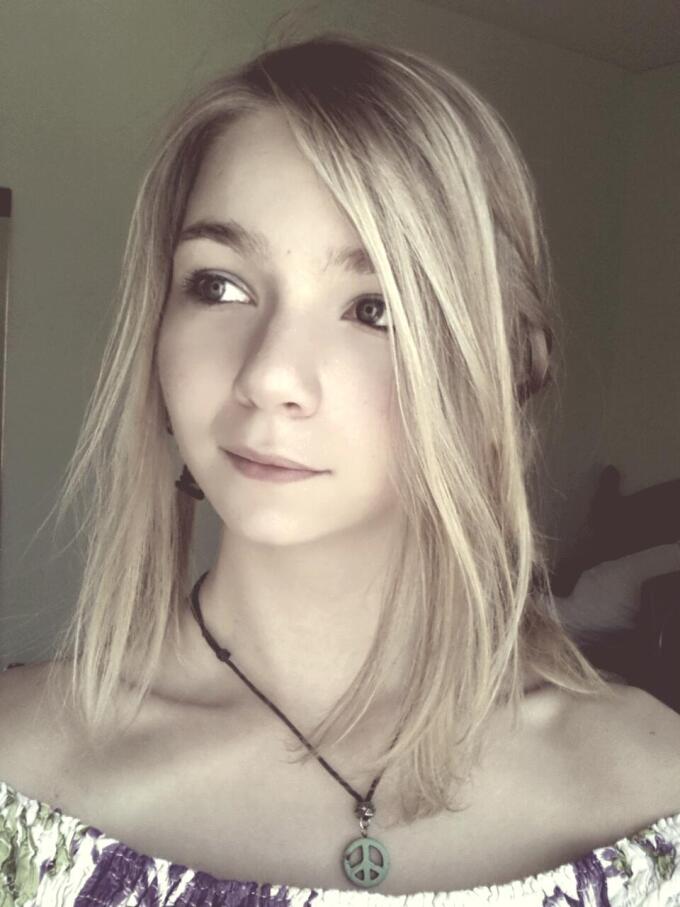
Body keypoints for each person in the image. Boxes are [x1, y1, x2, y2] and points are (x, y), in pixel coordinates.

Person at [1, 30, 679, 906]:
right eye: (219, 285)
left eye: (374, 307)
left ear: (507, 366)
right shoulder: (21, 767)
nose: (269, 375)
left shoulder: (649, 794)